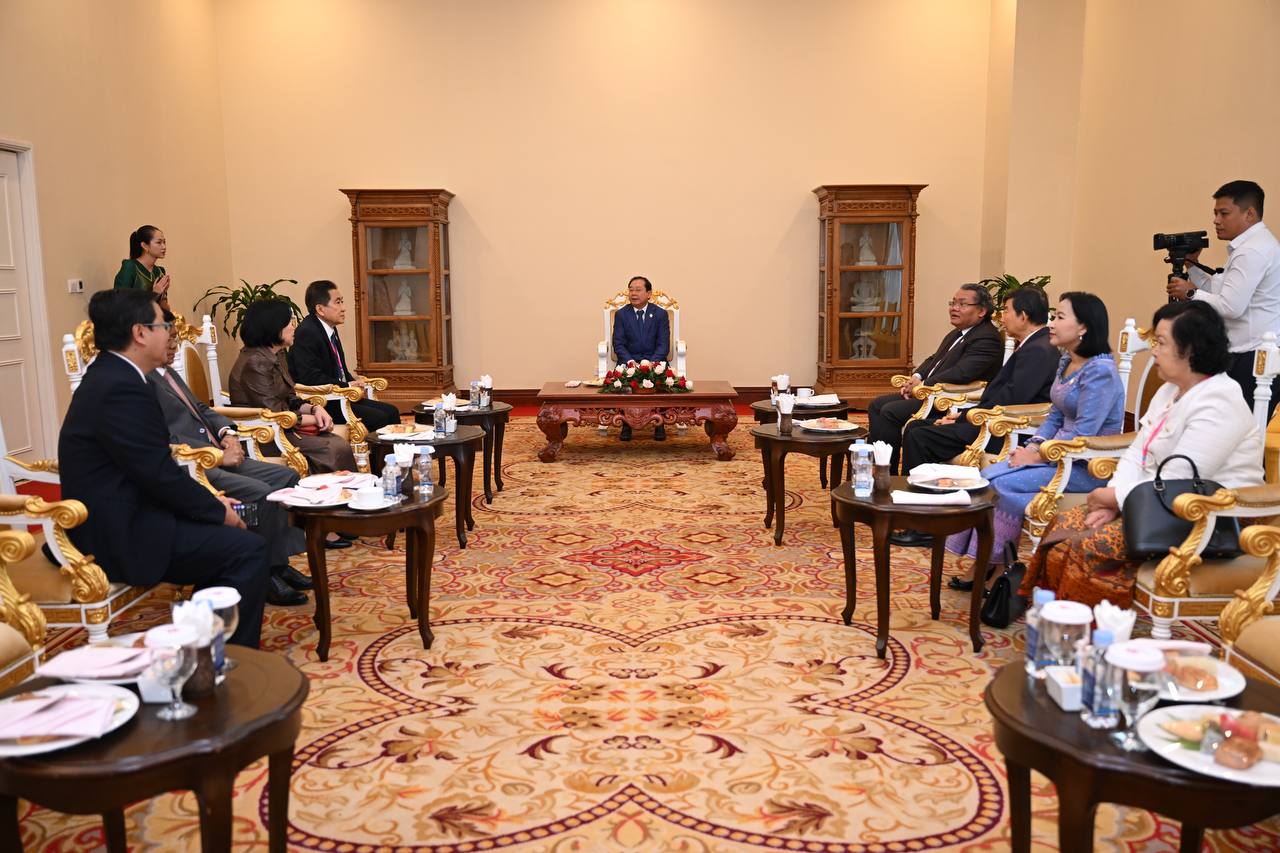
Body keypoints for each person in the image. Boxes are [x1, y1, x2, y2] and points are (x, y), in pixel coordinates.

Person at [58, 289, 267, 647]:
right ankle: (227, 659)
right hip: (117, 533)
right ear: (140, 333)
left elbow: (151, 469)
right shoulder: (120, 387)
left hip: (132, 511)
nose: (170, 333)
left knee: (232, 544)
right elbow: (157, 474)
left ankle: (204, 647)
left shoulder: (115, 376)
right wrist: (217, 510)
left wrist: (211, 503)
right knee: (246, 550)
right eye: (163, 325)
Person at [1022, 300, 1263, 608]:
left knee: (1092, 544)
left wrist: (1116, 499)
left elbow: (1180, 479)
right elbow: (1137, 453)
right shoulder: (1170, 390)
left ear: (1190, 349)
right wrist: (1113, 499)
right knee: (1062, 527)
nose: (1153, 351)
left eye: (1161, 343)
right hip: (1154, 502)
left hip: (1210, 516)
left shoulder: (1220, 401)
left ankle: (1093, 630)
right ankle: (1053, 619)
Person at [941, 292, 1126, 586]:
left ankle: (997, 565)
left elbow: (1084, 433)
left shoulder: (1100, 372)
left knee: (1003, 486)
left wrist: (1037, 456)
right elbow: (1054, 417)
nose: (1051, 323)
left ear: (1083, 327)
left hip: (1083, 465)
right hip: (1054, 456)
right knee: (985, 477)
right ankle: (989, 562)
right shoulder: (1067, 361)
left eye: (1060, 317)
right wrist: (1031, 447)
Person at [149, 310, 314, 606]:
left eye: (175, 339)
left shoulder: (168, 372)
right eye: (169, 338)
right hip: (196, 463)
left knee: (287, 477)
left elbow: (203, 408)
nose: (173, 345)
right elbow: (163, 437)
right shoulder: (143, 381)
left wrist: (229, 434)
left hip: (220, 449)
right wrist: (216, 455)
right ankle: (265, 576)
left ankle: (278, 564)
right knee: (261, 493)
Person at [889, 286, 1060, 547]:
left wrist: (966, 417)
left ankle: (925, 525)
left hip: (1005, 430)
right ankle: (920, 511)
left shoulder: (1038, 349)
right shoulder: (1032, 344)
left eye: (1007, 311)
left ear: (1023, 316)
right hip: (989, 420)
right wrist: (961, 416)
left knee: (920, 435)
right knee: (918, 428)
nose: (1002, 317)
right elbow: (1002, 396)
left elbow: (1012, 400)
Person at [1166, 180, 1280, 415]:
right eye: (1215, 213)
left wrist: (1190, 293)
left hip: (1253, 357)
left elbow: (1230, 307)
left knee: (1238, 429)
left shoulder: (1251, 251)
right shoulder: (1253, 246)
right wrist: (1192, 266)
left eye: (1224, 213)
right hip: (1248, 353)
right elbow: (1220, 293)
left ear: (1249, 214)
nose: (1216, 220)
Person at [867, 283, 1004, 472]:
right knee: (876, 405)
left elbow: (961, 373)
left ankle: (889, 475)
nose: (954, 308)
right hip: (930, 393)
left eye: (962, 304)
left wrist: (922, 385)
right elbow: (934, 358)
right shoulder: (958, 332)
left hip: (949, 400)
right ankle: (879, 468)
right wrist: (917, 376)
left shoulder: (987, 338)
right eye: (953, 303)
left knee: (890, 411)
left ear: (981, 311)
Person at [229, 298, 357, 474]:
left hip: (284, 426)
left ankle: (346, 488)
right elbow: (274, 413)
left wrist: (315, 409)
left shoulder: (277, 353)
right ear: (274, 327)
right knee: (332, 448)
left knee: (337, 445)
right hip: (263, 434)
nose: (294, 327)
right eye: (289, 322)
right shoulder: (255, 362)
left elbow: (289, 397)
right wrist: (315, 420)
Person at [287, 280, 402, 432]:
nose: (343, 308)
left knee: (392, 411)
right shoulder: (307, 332)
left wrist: (353, 382)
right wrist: (347, 386)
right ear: (320, 309)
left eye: (342, 302)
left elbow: (339, 369)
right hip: (324, 401)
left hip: (340, 396)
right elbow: (310, 377)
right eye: (338, 302)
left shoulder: (328, 328)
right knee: (380, 417)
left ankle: (400, 447)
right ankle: (379, 449)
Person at [611, 275, 671, 441]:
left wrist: (651, 364)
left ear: (649, 293)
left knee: (661, 378)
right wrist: (631, 362)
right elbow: (618, 343)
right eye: (631, 290)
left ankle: (659, 423)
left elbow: (663, 344)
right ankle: (626, 423)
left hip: (654, 361)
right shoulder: (622, 314)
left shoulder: (660, 314)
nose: (633, 293)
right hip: (629, 361)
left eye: (638, 290)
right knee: (623, 379)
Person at [113, 225, 171, 312]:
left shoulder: (159, 271)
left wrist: (162, 295)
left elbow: (165, 310)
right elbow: (120, 304)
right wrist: (154, 294)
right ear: (145, 246)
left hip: (154, 319)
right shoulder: (130, 267)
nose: (164, 247)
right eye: (159, 242)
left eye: (164, 242)